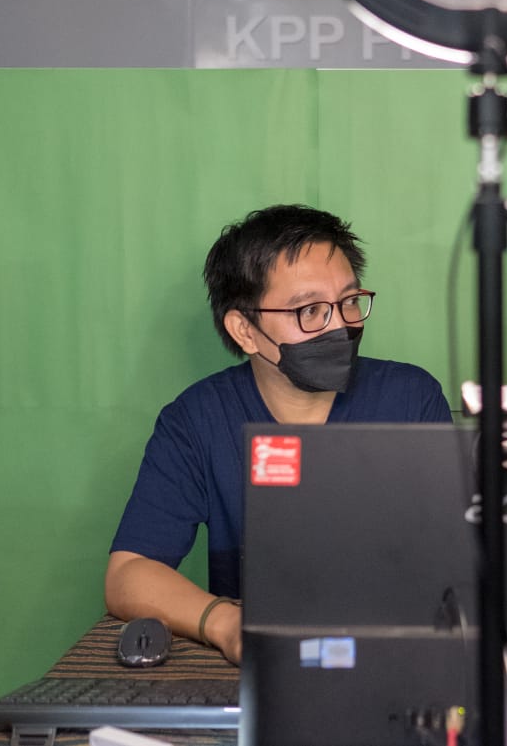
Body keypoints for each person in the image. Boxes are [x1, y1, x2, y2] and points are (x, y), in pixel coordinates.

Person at [106, 204, 451, 664]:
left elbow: (454, 558)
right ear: (244, 330)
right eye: (310, 310)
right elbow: (129, 572)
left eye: (350, 301)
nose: (341, 325)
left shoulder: (410, 399)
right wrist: (227, 626)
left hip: (394, 660)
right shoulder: (196, 420)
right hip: (264, 669)